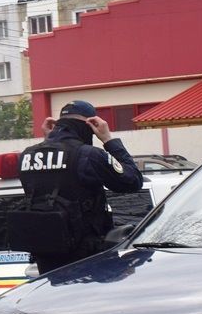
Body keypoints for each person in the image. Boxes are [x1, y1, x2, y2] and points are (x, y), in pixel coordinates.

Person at [8, 100, 143, 274]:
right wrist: (108, 140)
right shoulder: (88, 155)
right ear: (90, 125)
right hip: (87, 261)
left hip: (46, 260)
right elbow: (132, 181)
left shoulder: (27, 155)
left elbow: (49, 185)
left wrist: (50, 140)